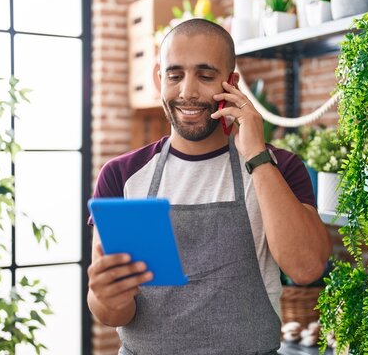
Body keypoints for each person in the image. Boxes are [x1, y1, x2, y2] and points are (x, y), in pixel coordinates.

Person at [87, 18, 331, 355]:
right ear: (160, 79)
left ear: (231, 83)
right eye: (175, 76)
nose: (187, 91)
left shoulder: (280, 168)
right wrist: (104, 295)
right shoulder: (122, 175)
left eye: (205, 76)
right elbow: (114, 313)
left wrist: (257, 157)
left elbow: (306, 268)